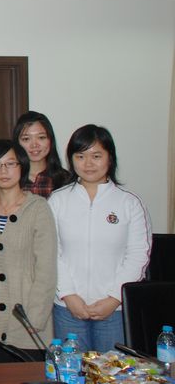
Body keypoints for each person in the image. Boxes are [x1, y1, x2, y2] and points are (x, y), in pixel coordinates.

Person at [50, 125, 152, 353]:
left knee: (113, 370)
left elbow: (138, 255)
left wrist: (114, 298)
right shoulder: (57, 200)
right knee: (72, 369)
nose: (88, 163)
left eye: (96, 156)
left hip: (114, 310)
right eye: (80, 156)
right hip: (67, 307)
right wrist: (68, 294)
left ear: (110, 158)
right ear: (71, 160)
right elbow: (51, 252)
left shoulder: (129, 203)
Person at [0, 140, 56, 360]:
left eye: (10, 164)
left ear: (22, 166)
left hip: (27, 321)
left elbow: (46, 268)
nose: (3, 171)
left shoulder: (38, 208)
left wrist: (35, 316)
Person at [12, 111, 70, 198]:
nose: (34, 145)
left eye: (41, 137)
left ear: (50, 140)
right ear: (17, 143)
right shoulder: (9, 179)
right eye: (26, 139)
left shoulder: (66, 180)